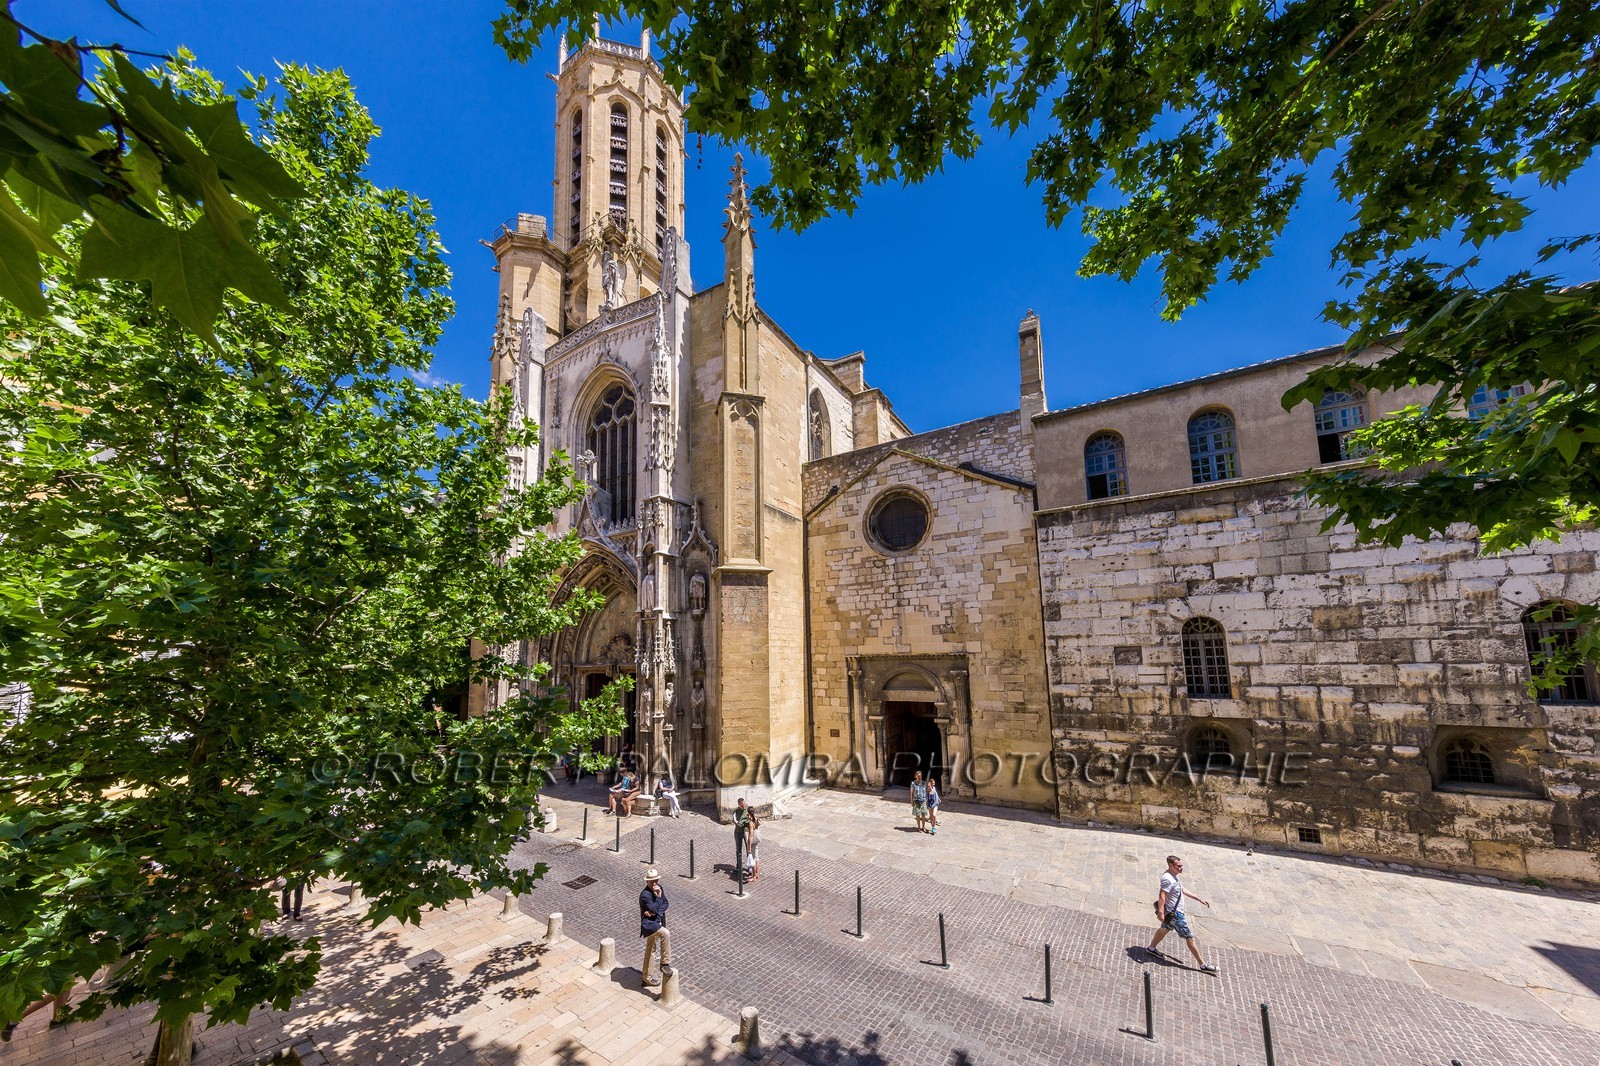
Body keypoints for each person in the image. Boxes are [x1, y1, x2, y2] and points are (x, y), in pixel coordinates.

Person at [1146, 854, 1218, 974]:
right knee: (1189, 937)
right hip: (1175, 915)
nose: (1181, 868)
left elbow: (1182, 890)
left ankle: (1151, 948)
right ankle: (1202, 965)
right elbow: (1162, 895)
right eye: (1178, 866)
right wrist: (1161, 912)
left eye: (1181, 865)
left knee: (1164, 929)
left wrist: (1199, 899)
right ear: (1171, 865)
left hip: (1172, 914)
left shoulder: (1174, 877)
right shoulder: (1167, 879)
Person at [639, 868, 673, 986]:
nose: (654, 883)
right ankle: (664, 963)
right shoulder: (645, 895)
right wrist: (658, 896)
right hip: (649, 925)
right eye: (651, 881)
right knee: (665, 933)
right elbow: (653, 908)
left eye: (655, 880)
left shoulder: (660, 888)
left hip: (657, 921)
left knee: (650, 950)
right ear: (647, 881)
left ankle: (646, 978)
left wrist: (656, 913)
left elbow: (665, 903)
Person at [732, 797, 750, 873]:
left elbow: (751, 819)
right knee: (738, 850)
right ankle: (738, 866)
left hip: (746, 831)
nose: (744, 806)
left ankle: (749, 866)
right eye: (742, 805)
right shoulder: (736, 810)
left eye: (744, 804)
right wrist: (735, 822)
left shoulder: (748, 809)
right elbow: (733, 819)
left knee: (748, 849)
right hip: (738, 831)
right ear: (739, 805)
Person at [745, 812, 761, 881]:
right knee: (757, 858)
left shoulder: (750, 823)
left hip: (753, 841)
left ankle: (754, 876)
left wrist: (749, 846)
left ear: (749, 814)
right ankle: (757, 874)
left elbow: (751, 835)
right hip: (757, 840)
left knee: (753, 859)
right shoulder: (756, 819)